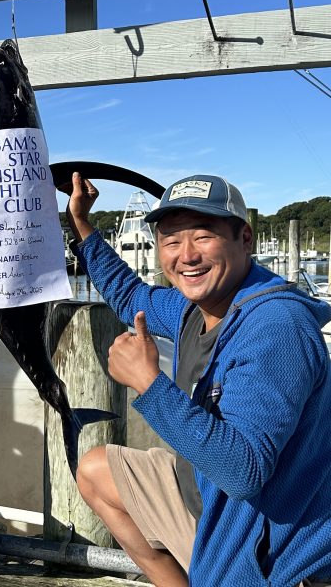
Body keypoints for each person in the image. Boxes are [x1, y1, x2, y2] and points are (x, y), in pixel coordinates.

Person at [62, 172, 331, 586]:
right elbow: (128, 294)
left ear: (245, 238)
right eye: (171, 240)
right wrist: (81, 224)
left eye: (203, 236)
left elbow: (245, 472)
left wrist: (149, 384)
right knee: (98, 470)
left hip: (266, 548)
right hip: (206, 496)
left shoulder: (277, 327)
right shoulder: (194, 309)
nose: (186, 255)